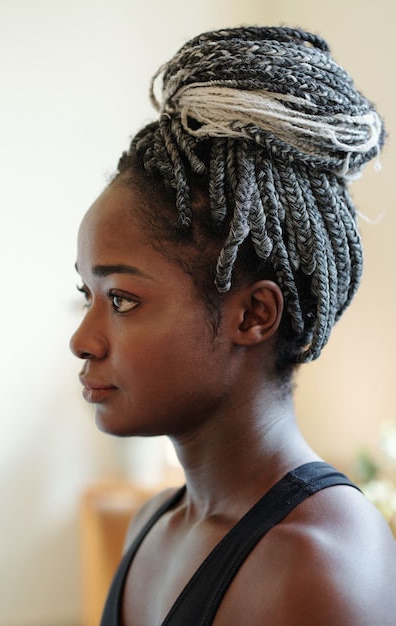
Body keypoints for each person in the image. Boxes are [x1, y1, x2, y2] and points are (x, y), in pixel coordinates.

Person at [70, 25, 396, 625]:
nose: (82, 341)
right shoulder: (152, 524)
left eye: (120, 300)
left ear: (253, 315)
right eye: (85, 294)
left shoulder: (319, 567)